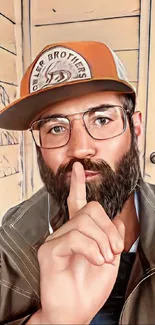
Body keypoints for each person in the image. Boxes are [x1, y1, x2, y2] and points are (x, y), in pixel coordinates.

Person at [0, 41, 155, 325]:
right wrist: (52, 321)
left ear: (135, 128)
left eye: (101, 119)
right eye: (57, 128)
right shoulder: (9, 245)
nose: (79, 149)